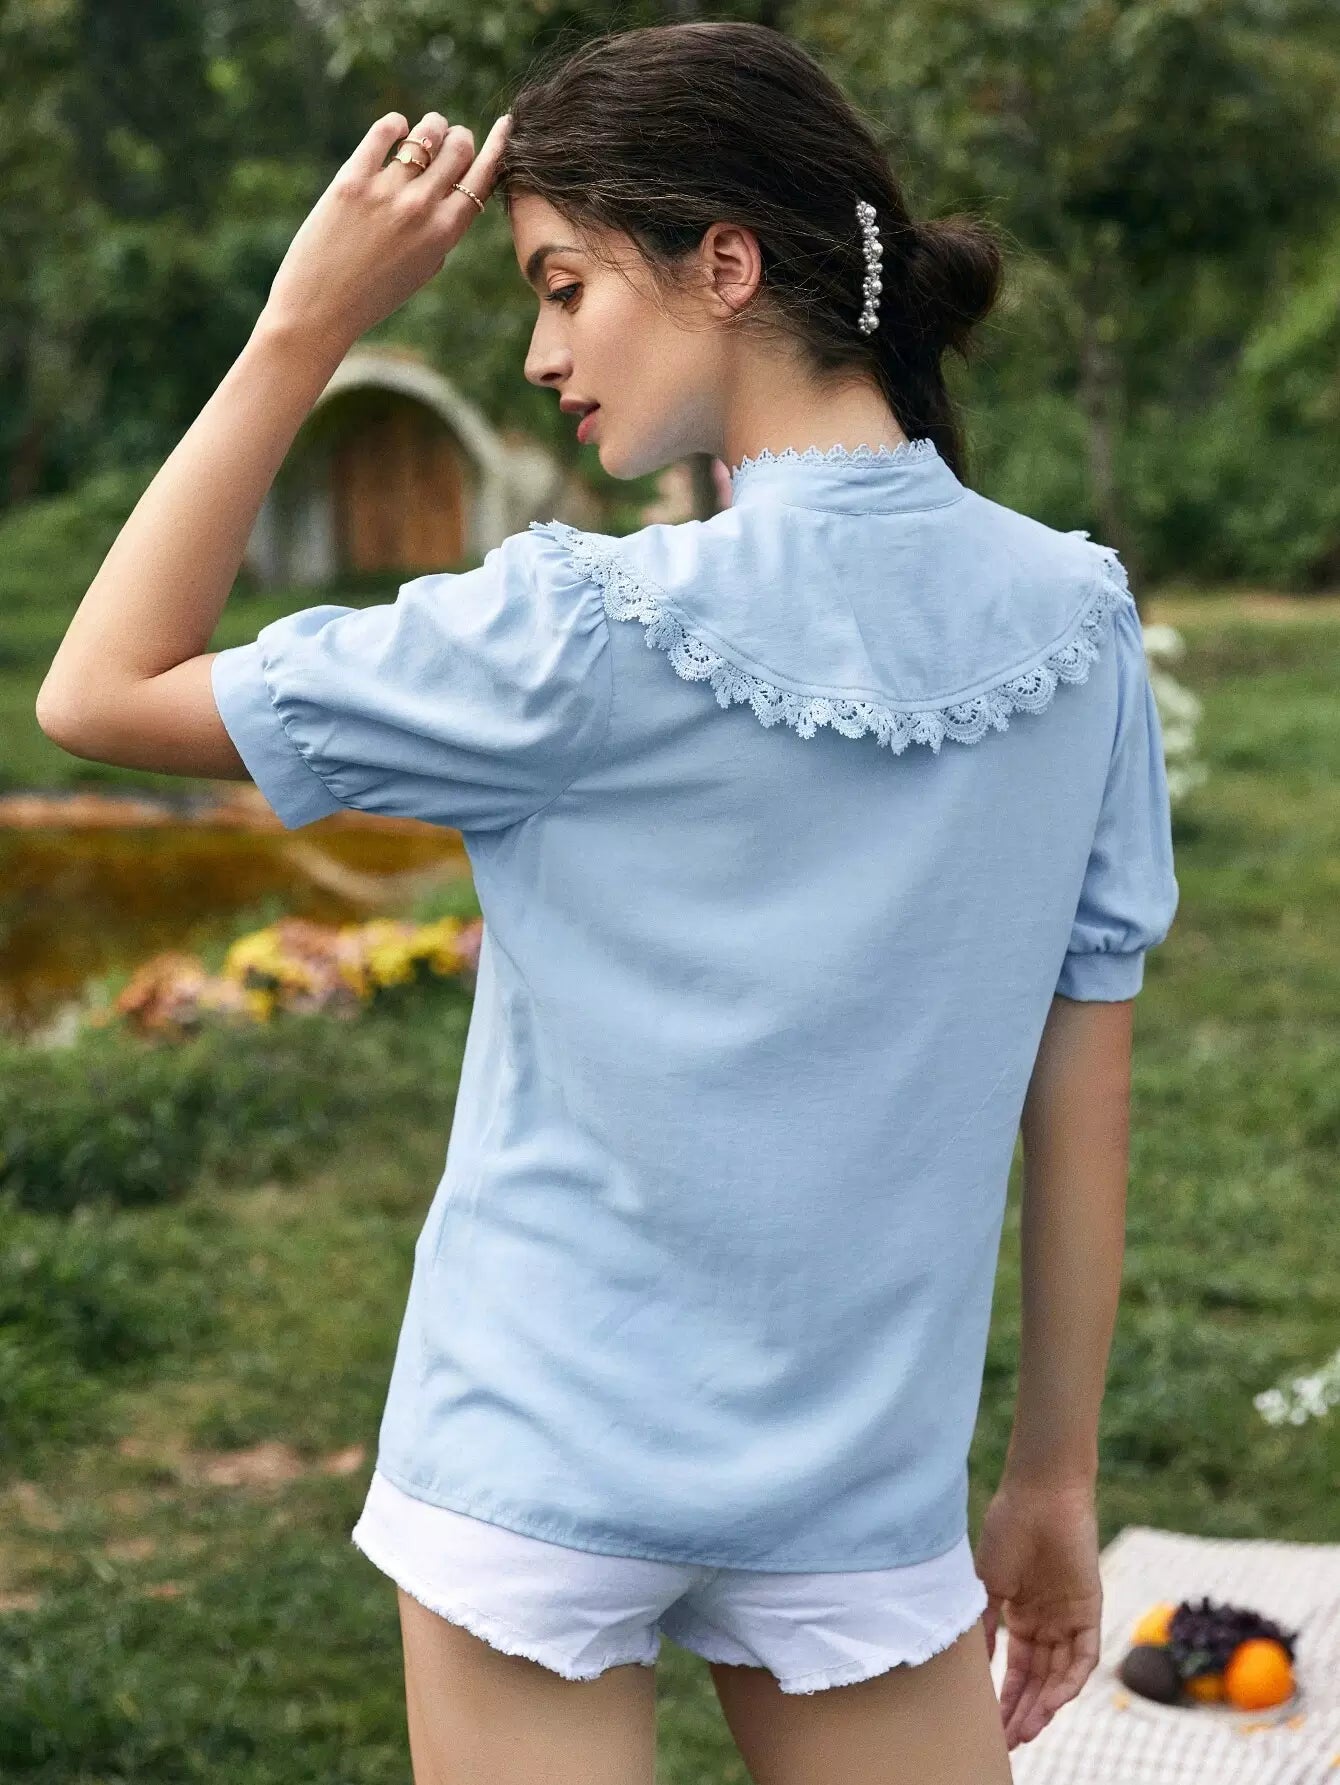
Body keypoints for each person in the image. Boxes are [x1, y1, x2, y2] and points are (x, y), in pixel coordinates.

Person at [37, 20, 1179, 1785]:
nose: (539, 351)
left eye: (563, 285)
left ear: (726, 263)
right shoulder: (1082, 624)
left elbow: (98, 689)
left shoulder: (573, 629)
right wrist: (1054, 1476)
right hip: (861, 1483)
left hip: (538, 1457)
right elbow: (1083, 1072)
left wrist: (304, 328)